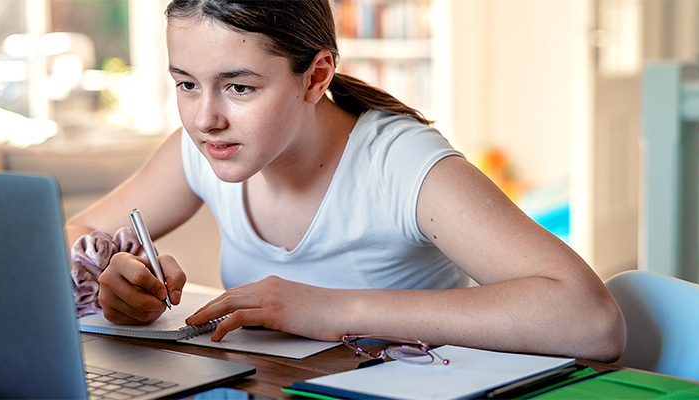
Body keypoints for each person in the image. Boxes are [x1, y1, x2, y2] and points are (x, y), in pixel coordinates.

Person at [65, 0, 625, 362]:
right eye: (187, 84)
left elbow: (591, 320)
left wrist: (338, 309)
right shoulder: (201, 148)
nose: (205, 117)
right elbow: (80, 227)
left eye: (239, 88)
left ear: (316, 77)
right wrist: (113, 273)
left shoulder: (401, 165)